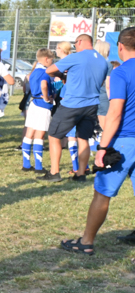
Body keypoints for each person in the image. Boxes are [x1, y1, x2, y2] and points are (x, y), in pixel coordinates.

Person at [60, 28, 135, 255]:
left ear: (120, 47)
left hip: (124, 140)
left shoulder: (122, 73)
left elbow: (114, 114)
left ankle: (86, 242)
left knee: (102, 192)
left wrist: (102, 147)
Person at [41, 34, 110, 182]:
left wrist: (63, 75)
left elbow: (49, 70)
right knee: (83, 138)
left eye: (75, 44)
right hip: (92, 105)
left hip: (72, 104)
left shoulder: (76, 57)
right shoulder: (103, 62)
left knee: (54, 135)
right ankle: (80, 174)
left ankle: (54, 172)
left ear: (80, 42)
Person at [22, 49, 55, 173]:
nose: (52, 62)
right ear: (46, 59)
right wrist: (47, 98)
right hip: (42, 105)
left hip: (33, 103)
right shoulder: (45, 72)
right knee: (40, 135)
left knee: (29, 133)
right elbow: (44, 85)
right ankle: (38, 166)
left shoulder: (34, 71)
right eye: (52, 60)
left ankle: (26, 164)